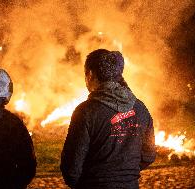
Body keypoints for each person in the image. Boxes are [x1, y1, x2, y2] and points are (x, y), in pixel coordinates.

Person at [60, 49, 156, 189]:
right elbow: (149, 155)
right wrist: (125, 175)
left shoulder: (85, 112)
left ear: (90, 74)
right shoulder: (140, 109)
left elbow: (71, 168)